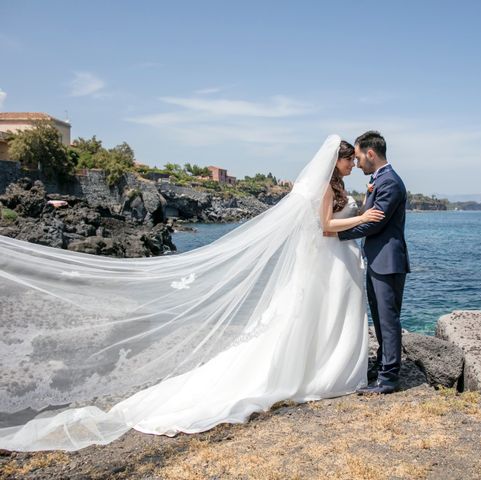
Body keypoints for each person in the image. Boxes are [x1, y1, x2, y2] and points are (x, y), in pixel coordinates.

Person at [0, 135, 386, 452]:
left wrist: (360, 209)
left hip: (333, 264)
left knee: (323, 318)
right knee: (313, 318)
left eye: (355, 161)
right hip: (326, 262)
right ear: (336, 161)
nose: (353, 165)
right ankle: (316, 374)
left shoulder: (338, 185)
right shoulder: (321, 187)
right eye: (349, 160)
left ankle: (325, 370)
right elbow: (323, 226)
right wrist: (364, 217)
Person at [336, 131, 411, 394]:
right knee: (380, 317)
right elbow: (370, 214)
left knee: (388, 319)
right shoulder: (379, 180)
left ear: (370, 153)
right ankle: (382, 365)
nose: (356, 164)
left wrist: (337, 235)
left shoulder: (389, 181)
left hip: (388, 261)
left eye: (358, 157)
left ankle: (389, 378)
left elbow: (375, 222)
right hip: (378, 259)